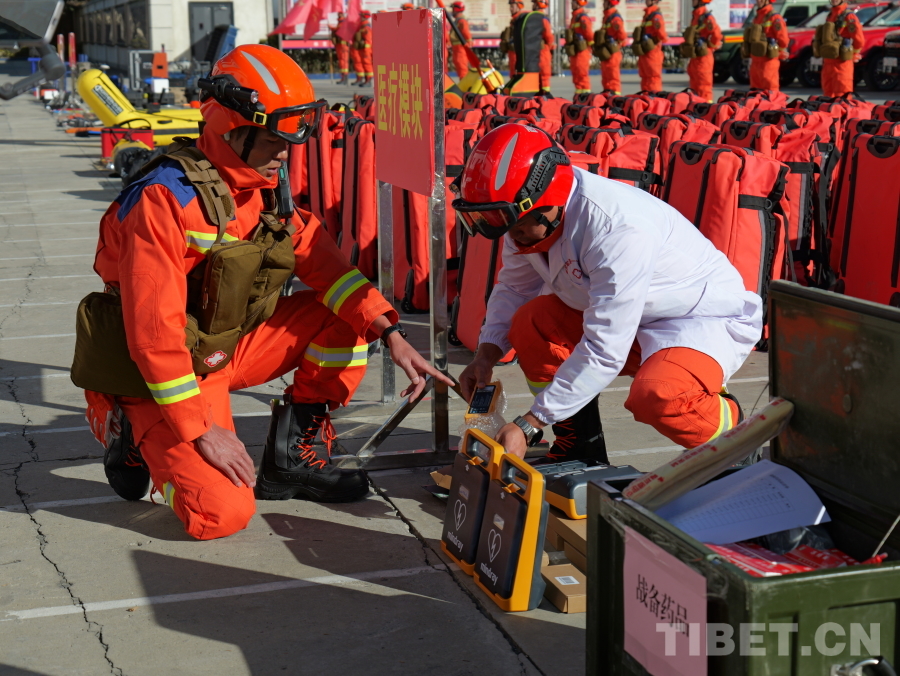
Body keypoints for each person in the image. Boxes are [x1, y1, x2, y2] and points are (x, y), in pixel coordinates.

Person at [84, 45, 450, 540]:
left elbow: (328, 269)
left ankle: (291, 459)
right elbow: (154, 336)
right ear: (234, 130)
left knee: (345, 318)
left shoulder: (263, 188)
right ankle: (126, 426)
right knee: (220, 515)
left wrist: (391, 332)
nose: (288, 148)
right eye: (277, 135)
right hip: (159, 372)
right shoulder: (164, 200)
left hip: (221, 349)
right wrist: (199, 429)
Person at [453, 125, 760, 462]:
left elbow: (604, 349)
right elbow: (513, 288)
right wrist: (485, 357)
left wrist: (531, 424)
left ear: (546, 201)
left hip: (692, 320)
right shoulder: (528, 220)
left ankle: (736, 440)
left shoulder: (617, 227)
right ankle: (579, 446)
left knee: (659, 396)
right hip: (625, 316)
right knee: (531, 323)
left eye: (516, 225)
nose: (512, 236)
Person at [821, 0, 864, 97]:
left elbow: (859, 38)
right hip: (829, 59)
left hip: (842, 61)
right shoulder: (830, 15)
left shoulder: (849, 16)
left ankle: (843, 111)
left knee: (842, 91)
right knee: (828, 92)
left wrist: (854, 53)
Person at [685, 0, 722, 101]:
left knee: (704, 87)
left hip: (703, 58)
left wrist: (709, 46)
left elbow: (717, 35)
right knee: (694, 88)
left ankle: (706, 111)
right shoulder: (696, 17)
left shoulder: (707, 17)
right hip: (695, 58)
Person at [747, 0, 788, 92]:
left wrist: (778, 51)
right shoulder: (757, 16)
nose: (758, 1)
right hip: (756, 60)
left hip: (768, 61)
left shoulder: (775, 17)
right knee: (755, 91)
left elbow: (783, 40)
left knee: (770, 90)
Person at [636, 0, 667, 92]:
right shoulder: (647, 15)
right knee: (645, 77)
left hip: (653, 53)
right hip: (646, 51)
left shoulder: (656, 16)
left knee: (653, 78)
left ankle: (654, 100)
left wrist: (653, 42)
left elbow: (662, 35)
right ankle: (646, 100)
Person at [597, 0, 626, 94]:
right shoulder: (607, 17)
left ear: (610, 3)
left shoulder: (615, 18)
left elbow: (622, 35)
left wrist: (616, 43)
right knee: (606, 78)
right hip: (607, 52)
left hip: (612, 52)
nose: (603, 3)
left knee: (613, 78)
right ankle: (607, 97)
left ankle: (615, 100)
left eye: (605, 1)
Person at [566, 0, 594, 94]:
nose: (572, 4)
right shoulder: (574, 17)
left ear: (579, 3)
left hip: (582, 50)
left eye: (574, 2)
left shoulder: (583, 18)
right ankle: (578, 95)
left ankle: (585, 95)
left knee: (582, 73)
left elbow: (589, 34)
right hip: (575, 50)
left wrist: (590, 46)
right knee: (576, 73)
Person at [532, 0, 556, 93]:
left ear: (539, 4)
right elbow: (549, 37)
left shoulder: (539, 18)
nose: (533, 5)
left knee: (543, 75)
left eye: (534, 3)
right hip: (541, 50)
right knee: (542, 76)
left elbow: (549, 37)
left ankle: (544, 95)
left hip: (541, 51)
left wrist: (549, 48)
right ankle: (543, 95)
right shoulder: (540, 18)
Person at [449, 1, 473, 80]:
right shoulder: (458, 21)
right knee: (460, 69)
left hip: (460, 49)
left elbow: (466, 34)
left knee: (462, 70)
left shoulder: (461, 21)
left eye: (453, 9)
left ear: (457, 9)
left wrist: (468, 45)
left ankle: (465, 90)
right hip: (457, 49)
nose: (452, 11)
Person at [503, 0, 527, 76]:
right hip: (513, 51)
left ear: (519, 7)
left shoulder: (520, 19)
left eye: (512, 6)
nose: (510, 9)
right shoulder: (515, 20)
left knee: (515, 73)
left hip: (516, 52)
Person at [351, 10, 373, 87]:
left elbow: (368, 39)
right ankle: (365, 79)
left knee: (367, 64)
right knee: (363, 63)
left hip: (366, 49)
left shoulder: (366, 26)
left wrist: (365, 48)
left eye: (361, 16)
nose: (359, 17)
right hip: (362, 48)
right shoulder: (362, 26)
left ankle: (368, 80)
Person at [330, 11, 350, 85]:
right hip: (340, 45)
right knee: (341, 62)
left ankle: (345, 78)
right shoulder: (340, 22)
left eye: (340, 14)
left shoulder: (343, 23)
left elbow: (339, 29)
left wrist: (332, 28)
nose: (339, 15)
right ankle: (343, 78)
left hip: (343, 45)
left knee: (343, 61)